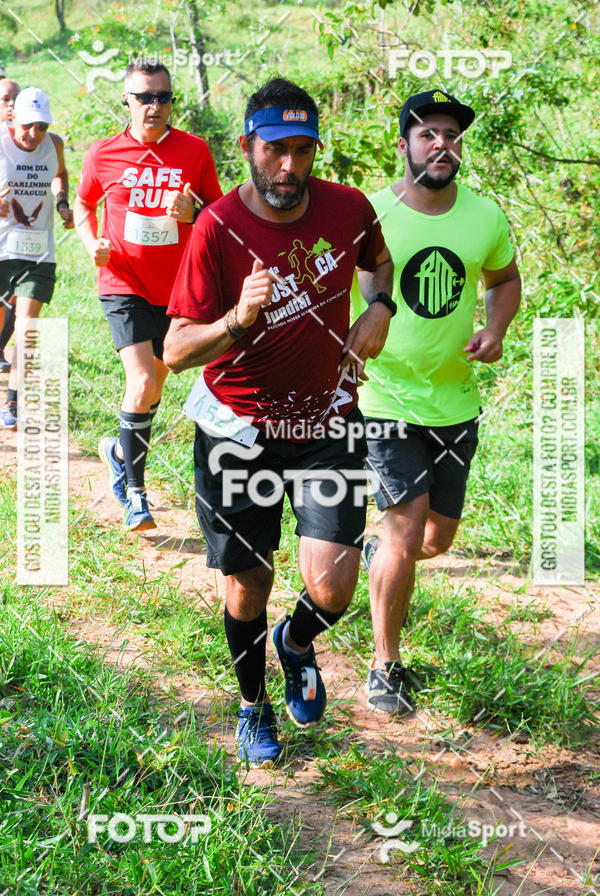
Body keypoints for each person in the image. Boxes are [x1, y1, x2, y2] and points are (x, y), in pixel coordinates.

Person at [164, 77, 394, 767]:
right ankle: (252, 704)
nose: (289, 166)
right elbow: (175, 351)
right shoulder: (216, 229)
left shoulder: (350, 208)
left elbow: (378, 266)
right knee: (249, 581)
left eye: (302, 150)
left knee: (334, 584)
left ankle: (296, 643)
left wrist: (380, 308)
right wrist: (238, 319)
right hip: (239, 430)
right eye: (274, 150)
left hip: (327, 422)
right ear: (247, 147)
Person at [353, 89, 521, 714]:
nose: (441, 144)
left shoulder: (484, 217)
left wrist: (496, 328)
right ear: (404, 145)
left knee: (435, 539)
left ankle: (377, 559)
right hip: (384, 398)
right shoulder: (367, 214)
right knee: (403, 525)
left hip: (456, 399)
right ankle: (384, 664)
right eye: (428, 134)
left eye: (451, 135)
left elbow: (504, 279)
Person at [74, 59, 222, 531]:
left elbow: (217, 215)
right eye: (144, 97)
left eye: (163, 97)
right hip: (124, 284)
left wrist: (191, 213)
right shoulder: (103, 154)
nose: (154, 106)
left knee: (155, 385)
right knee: (140, 383)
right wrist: (91, 242)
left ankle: (118, 450)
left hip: (178, 290)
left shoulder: (194, 151)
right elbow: (82, 203)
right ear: (127, 101)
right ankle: (136, 494)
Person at [0, 87, 74, 428]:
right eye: (28, 125)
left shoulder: (53, 144)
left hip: (38, 252)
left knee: (27, 326)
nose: (34, 134)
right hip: (2, 248)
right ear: (12, 117)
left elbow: (60, 173)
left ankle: (11, 401)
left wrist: (62, 203)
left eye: (41, 126)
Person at [0, 78, 21, 374]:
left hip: (19, 232)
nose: (11, 105)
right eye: (5, 99)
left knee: (12, 295)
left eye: (17, 98)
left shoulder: (30, 140)